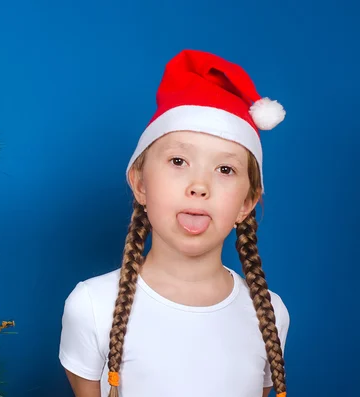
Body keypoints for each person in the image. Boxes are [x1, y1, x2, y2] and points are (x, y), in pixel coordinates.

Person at [59, 49, 290, 397]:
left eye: (224, 169)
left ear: (246, 203)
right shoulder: (91, 305)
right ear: (140, 183)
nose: (199, 186)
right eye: (178, 160)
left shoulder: (270, 314)